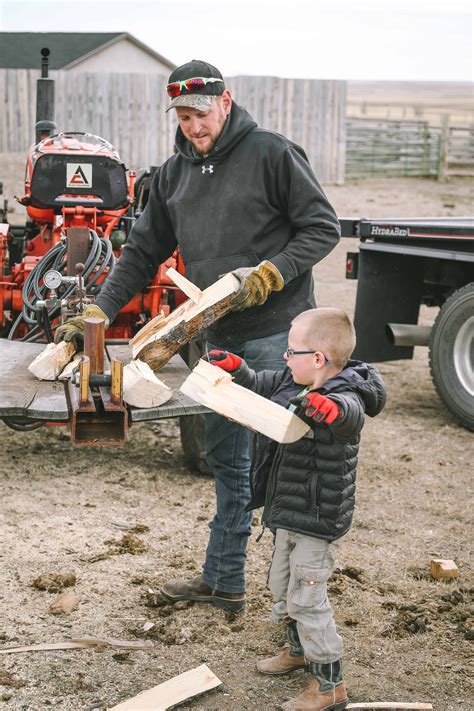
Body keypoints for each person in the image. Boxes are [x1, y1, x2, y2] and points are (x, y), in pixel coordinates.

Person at [55, 59, 341, 613]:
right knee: (225, 456)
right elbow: (140, 254)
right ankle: (225, 580)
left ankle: (297, 600)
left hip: (276, 334)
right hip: (216, 335)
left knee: (276, 461)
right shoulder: (172, 175)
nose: (193, 126)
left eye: (201, 113)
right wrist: (96, 312)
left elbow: (322, 227)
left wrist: (272, 273)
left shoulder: (272, 155)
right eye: (183, 116)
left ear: (225, 102)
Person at [205, 308, 386, 710]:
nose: (284, 358)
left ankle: (328, 686)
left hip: (317, 518)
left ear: (318, 359)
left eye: (291, 351)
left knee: (307, 596)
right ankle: (299, 649)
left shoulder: (345, 393)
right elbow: (262, 383)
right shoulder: (293, 378)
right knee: (282, 586)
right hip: (288, 511)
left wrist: (329, 411)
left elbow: (348, 417)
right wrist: (239, 370)